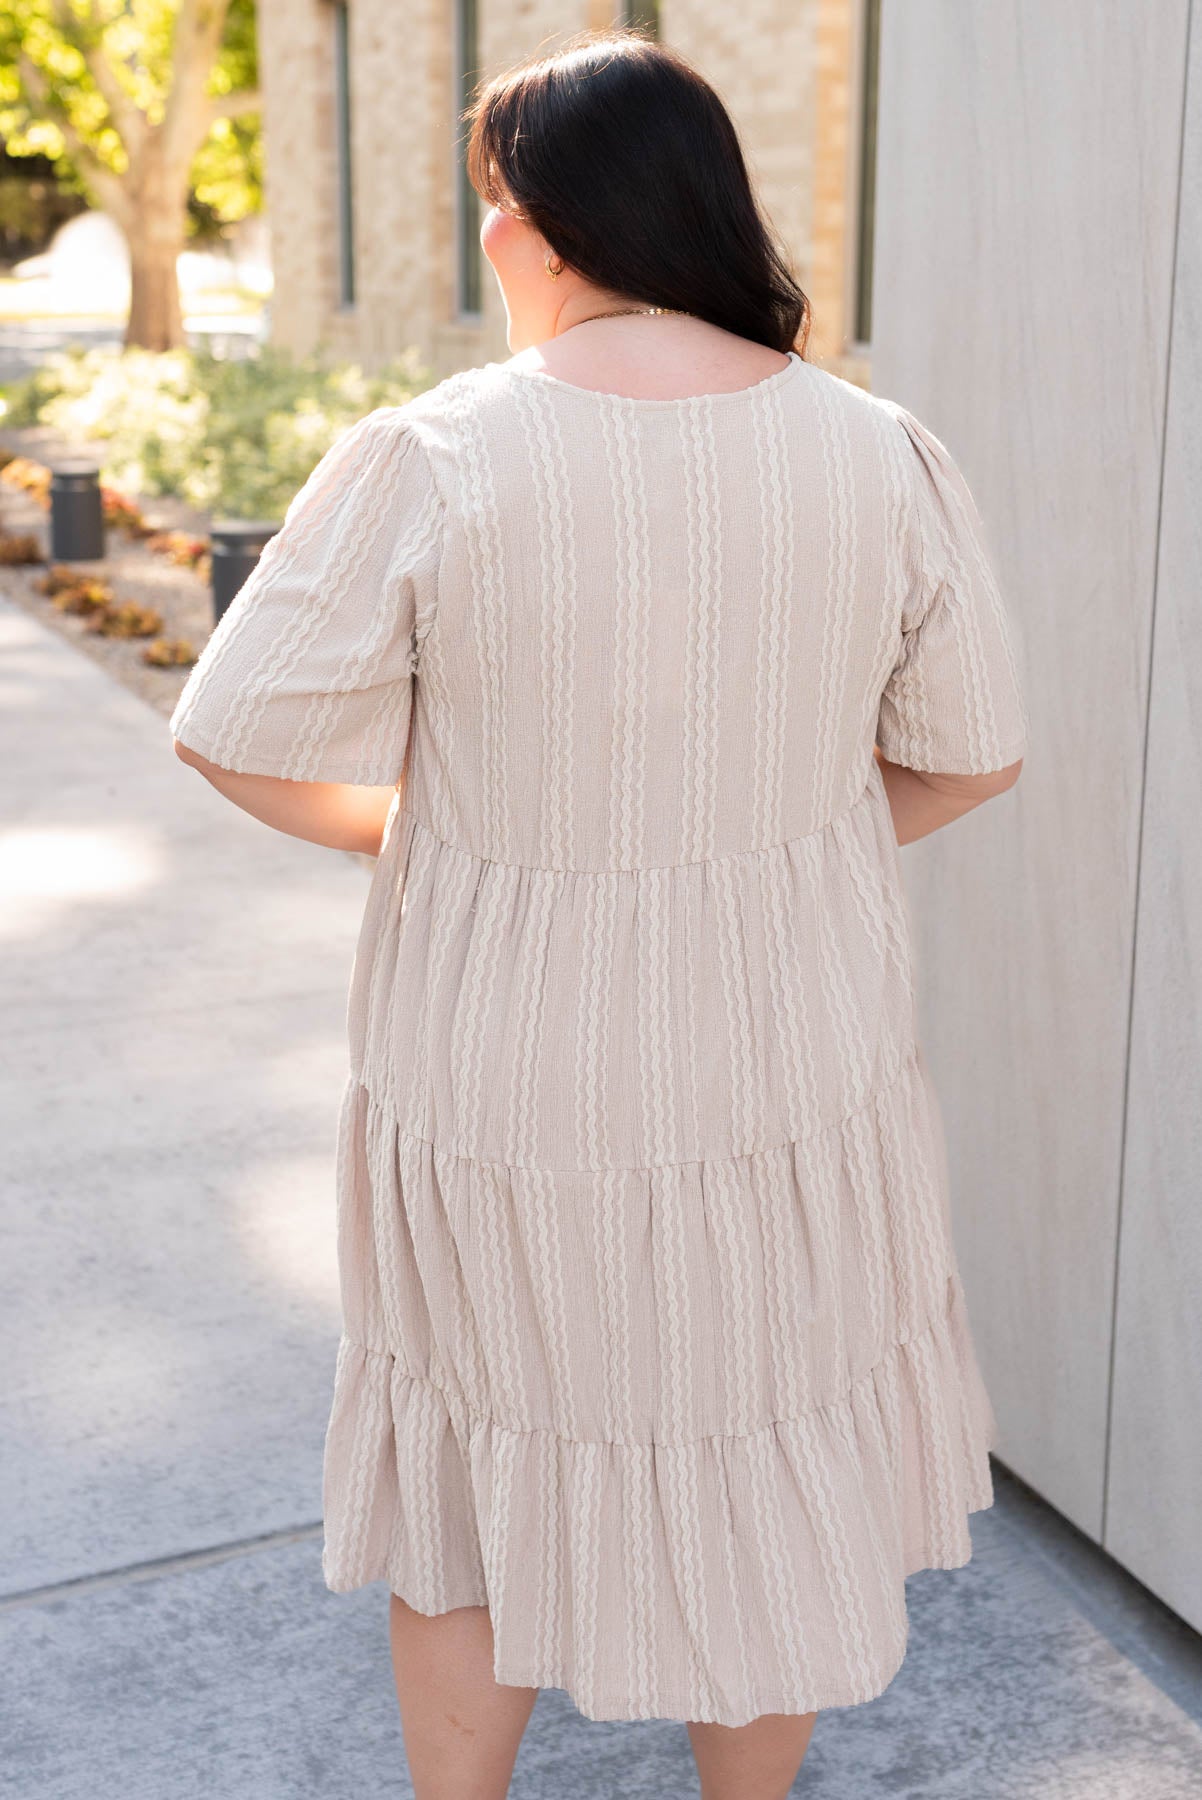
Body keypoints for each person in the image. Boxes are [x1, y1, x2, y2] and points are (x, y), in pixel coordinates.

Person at [169, 27, 1028, 1800]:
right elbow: (972, 754)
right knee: (765, 1453)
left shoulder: (432, 453)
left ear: (535, 226)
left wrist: (418, 831)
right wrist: (784, 844)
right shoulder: (875, 453)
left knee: (477, 1473)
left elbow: (236, 732)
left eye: (494, 207)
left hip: (496, 1062)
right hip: (786, 1057)